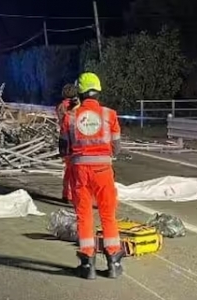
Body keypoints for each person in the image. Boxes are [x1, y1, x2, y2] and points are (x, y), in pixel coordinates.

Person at [59, 72, 123, 280]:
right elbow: (116, 148)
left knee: (84, 215)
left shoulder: (70, 117)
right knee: (108, 214)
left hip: (79, 172)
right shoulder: (109, 115)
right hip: (103, 171)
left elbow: (63, 148)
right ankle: (113, 262)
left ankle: (88, 265)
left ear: (80, 91)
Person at [57, 83, 79, 203]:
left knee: (68, 169)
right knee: (76, 170)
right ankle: (74, 194)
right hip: (75, 140)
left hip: (63, 139)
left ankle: (66, 194)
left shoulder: (60, 106)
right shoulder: (76, 106)